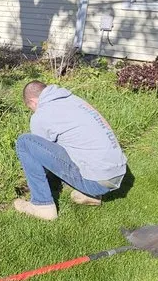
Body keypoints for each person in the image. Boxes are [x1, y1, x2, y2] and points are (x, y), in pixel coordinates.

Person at [13, 81, 127, 221]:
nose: (33, 111)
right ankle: (90, 194)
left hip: (98, 180)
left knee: (25, 142)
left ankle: (42, 205)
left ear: (32, 101)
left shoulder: (42, 114)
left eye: (30, 108)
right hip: (117, 172)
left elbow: (42, 156)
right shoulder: (72, 100)